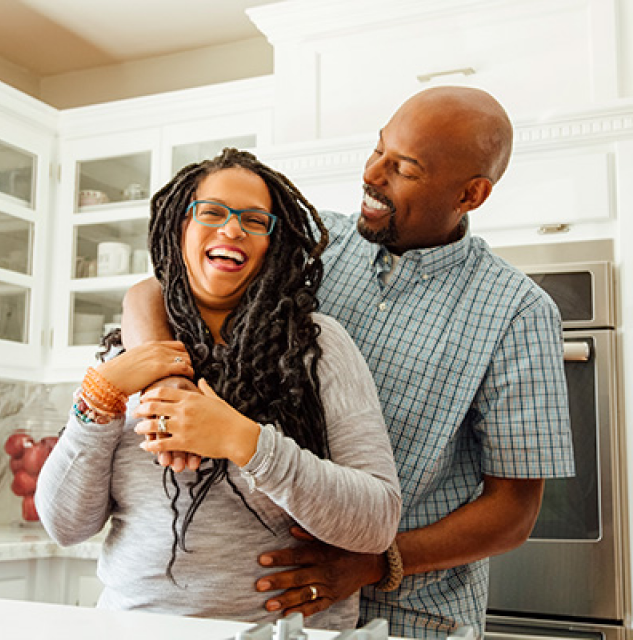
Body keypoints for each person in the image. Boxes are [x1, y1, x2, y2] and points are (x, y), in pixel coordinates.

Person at [120, 87, 575, 638]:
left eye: (403, 168)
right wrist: (169, 388)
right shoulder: (313, 242)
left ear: (471, 193)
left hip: (417, 616)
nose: (372, 174)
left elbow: (513, 511)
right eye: (378, 149)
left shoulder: (517, 312)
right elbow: (156, 288)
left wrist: (376, 562)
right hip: (285, 608)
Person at [35, 149, 401, 631]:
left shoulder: (318, 345)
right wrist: (97, 401)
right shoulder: (123, 356)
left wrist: (243, 441)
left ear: (274, 243)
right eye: (211, 212)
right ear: (178, 227)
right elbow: (64, 526)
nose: (231, 230)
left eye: (255, 220)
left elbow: (376, 522)